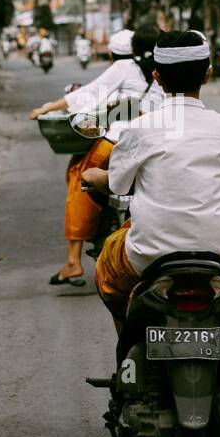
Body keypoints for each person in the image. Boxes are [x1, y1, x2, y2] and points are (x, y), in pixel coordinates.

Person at [88, 29, 220, 330]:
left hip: (147, 257)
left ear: (157, 77)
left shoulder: (138, 129)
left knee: (107, 272)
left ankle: (126, 354)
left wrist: (95, 176)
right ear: (208, 75)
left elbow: (116, 185)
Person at [29, 24, 161, 286]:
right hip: (156, 143)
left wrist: (45, 108)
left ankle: (73, 261)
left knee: (80, 177)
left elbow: (85, 95)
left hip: (117, 143)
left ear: (115, 54)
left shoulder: (124, 68)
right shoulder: (162, 72)